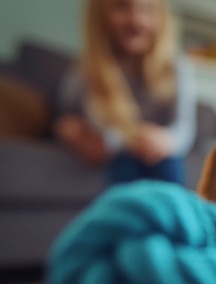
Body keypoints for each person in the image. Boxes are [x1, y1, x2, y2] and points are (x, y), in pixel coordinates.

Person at [55, 0, 196, 186]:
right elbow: (65, 115)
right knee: (124, 162)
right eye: (122, 6)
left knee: (167, 162)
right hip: (116, 154)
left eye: (147, 9)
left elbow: (184, 128)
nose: (136, 20)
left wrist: (166, 140)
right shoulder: (85, 71)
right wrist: (69, 129)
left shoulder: (177, 68)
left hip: (158, 155)